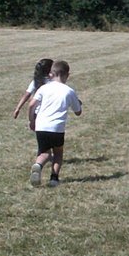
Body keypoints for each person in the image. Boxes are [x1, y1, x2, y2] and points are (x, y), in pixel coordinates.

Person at [28, 60, 82, 188]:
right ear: (67, 75)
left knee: (44, 152)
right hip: (57, 127)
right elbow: (78, 112)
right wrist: (78, 104)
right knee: (58, 153)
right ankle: (54, 178)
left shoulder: (43, 88)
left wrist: (32, 121)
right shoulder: (69, 91)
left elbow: (31, 104)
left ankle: (38, 165)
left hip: (41, 126)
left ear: (51, 74)